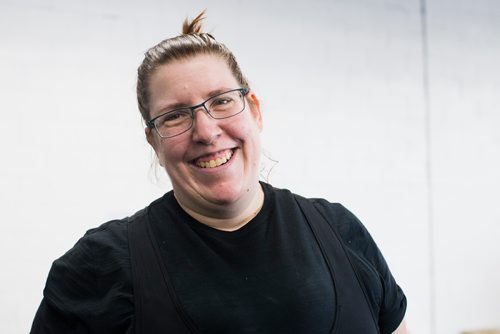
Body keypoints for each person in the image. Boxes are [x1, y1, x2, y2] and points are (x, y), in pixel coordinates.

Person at [31, 11, 407, 334]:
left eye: (222, 101)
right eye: (175, 115)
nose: (207, 131)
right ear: (154, 142)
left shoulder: (340, 232)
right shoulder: (99, 267)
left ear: (255, 111)